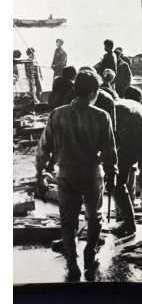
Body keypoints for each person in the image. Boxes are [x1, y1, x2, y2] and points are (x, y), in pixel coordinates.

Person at [36, 69, 118, 281]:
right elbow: (109, 151)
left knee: (68, 221)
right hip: (91, 174)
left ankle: (72, 263)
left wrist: (40, 174)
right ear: (93, 92)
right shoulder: (102, 116)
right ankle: (89, 254)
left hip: (66, 174)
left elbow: (43, 148)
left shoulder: (57, 114)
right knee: (94, 217)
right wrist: (111, 175)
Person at [112, 86, 142, 238]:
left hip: (129, 140)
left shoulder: (117, 104)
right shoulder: (141, 107)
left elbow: (111, 134)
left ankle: (128, 222)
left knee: (118, 182)